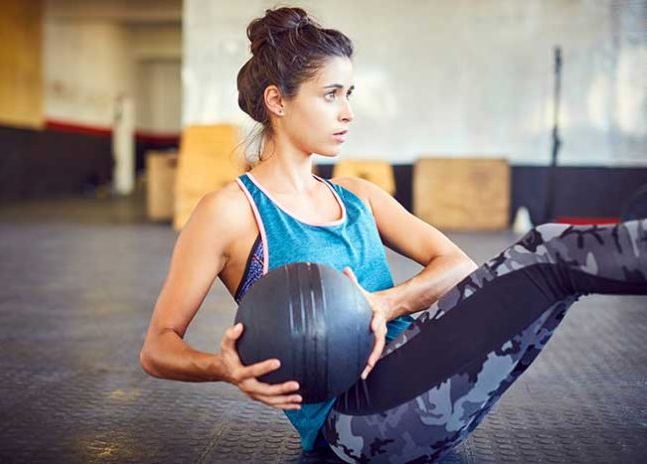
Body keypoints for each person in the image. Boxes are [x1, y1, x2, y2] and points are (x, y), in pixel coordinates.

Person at [139, 7, 647, 463]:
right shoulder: (230, 212)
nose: (347, 112)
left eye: (349, 94)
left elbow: (458, 268)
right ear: (277, 100)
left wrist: (383, 304)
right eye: (330, 94)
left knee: (552, 256)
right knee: (551, 251)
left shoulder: (358, 195)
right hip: (352, 420)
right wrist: (224, 368)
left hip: (417, 382)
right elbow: (158, 347)